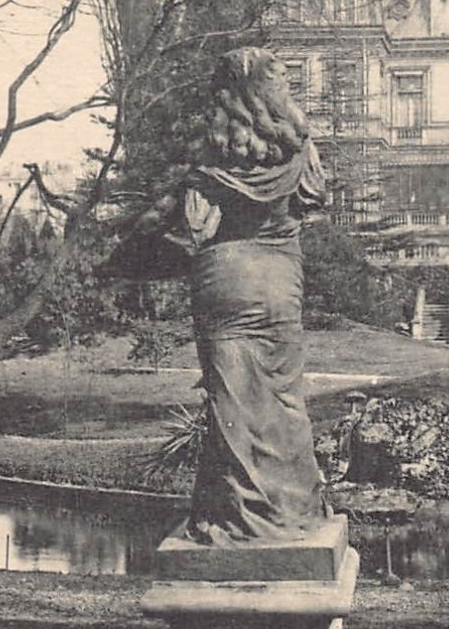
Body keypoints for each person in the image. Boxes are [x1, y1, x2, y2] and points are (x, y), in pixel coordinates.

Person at [104, 47, 329, 545]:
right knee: (284, 399)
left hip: (224, 288)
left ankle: (238, 520)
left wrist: (156, 245)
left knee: (233, 409)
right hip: (280, 287)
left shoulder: (210, 166)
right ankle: (296, 514)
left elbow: (153, 242)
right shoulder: (302, 154)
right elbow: (314, 203)